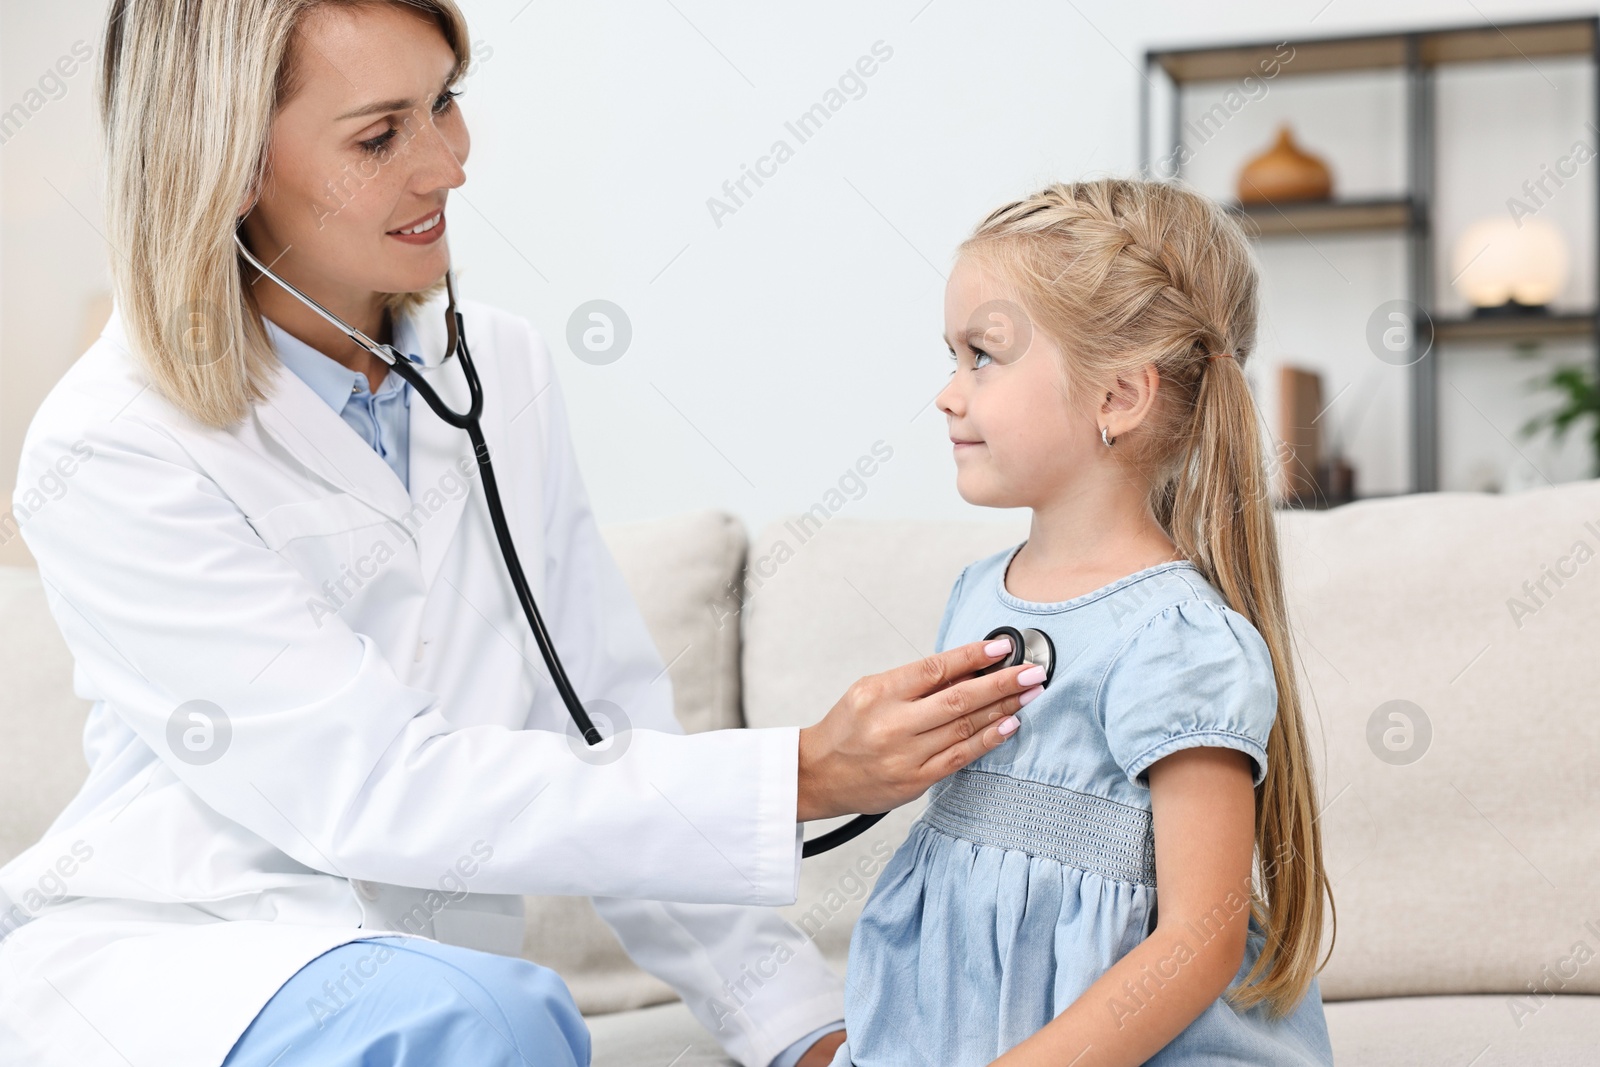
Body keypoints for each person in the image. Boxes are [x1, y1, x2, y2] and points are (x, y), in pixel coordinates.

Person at [0, 3, 1045, 1066]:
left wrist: (805, 1030)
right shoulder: (112, 445)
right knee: (494, 1018)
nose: (447, 165)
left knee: (498, 1011)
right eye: (379, 136)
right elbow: (373, 788)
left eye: (444, 103)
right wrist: (803, 772)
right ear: (228, 164)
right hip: (194, 968)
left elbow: (605, 721)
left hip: (444, 981)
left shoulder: (499, 369)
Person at [828, 179, 1337, 1066]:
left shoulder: (1177, 638)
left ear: (1119, 397)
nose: (949, 395)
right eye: (952, 357)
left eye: (982, 356)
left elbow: (1201, 936)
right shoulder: (979, 590)